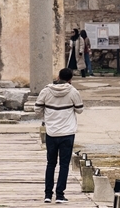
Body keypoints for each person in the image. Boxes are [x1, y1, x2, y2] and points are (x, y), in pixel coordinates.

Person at [35, 68, 84, 204]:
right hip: (67, 133)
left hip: (51, 132)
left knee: (50, 163)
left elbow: (37, 109)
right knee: (64, 165)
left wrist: (48, 114)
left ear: (58, 76)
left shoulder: (46, 91)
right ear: (70, 79)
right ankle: (60, 195)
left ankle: (47, 195)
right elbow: (80, 110)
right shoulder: (73, 92)